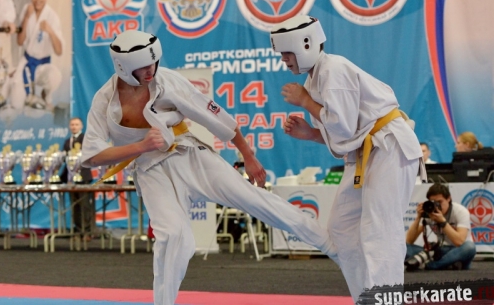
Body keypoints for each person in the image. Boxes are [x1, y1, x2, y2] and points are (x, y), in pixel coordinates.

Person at [80, 30, 338, 305]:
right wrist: (141, 146)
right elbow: (93, 157)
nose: (150, 70)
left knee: (255, 199)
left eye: (153, 63)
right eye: (143, 67)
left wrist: (248, 156)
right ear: (123, 67)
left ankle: (331, 245)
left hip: (189, 155)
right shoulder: (104, 101)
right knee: (174, 236)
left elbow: (216, 118)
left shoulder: (168, 81)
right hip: (149, 171)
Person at [270, 15, 423, 302]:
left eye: (287, 52)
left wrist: (305, 102)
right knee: (341, 228)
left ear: (306, 44)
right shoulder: (315, 78)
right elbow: (345, 135)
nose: (284, 59)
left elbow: (343, 128)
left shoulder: (334, 70)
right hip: (366, 152)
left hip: (389, 146)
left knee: (380, 230)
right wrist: (312, 134)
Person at [8, 0, 62, 112]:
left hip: (43, 65)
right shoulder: (27, 9)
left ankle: (46, 95)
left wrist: (50, 31)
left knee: (55, 76)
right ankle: (26, 91)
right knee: (16, 103)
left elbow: (59, 51)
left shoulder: (52, 16)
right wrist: (26, 18)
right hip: (27, 63)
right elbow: (20, 42)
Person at [405, 183, 476, 270]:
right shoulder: (429, 212)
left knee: (470, 247)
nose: (437, 206)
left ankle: (432, 265)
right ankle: (446, 264)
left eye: (439, 202)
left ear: (448, 198)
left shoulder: (460, 211)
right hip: (440, 251)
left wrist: (443, 222)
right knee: (404, 248)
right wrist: (418, 217)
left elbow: (459, 242)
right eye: (434, 202)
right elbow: (409, 241)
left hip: (458, 250)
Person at [60, 117, 95, 236]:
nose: (74, 127)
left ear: (81, 126)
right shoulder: (67, 141)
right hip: (71, 179)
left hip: (83, 177)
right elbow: (65, 160)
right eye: (72, 124)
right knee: (75, 206)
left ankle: (88, 231)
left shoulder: (86, 139)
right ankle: (78, 230)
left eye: (76, 124)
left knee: (85, 205)